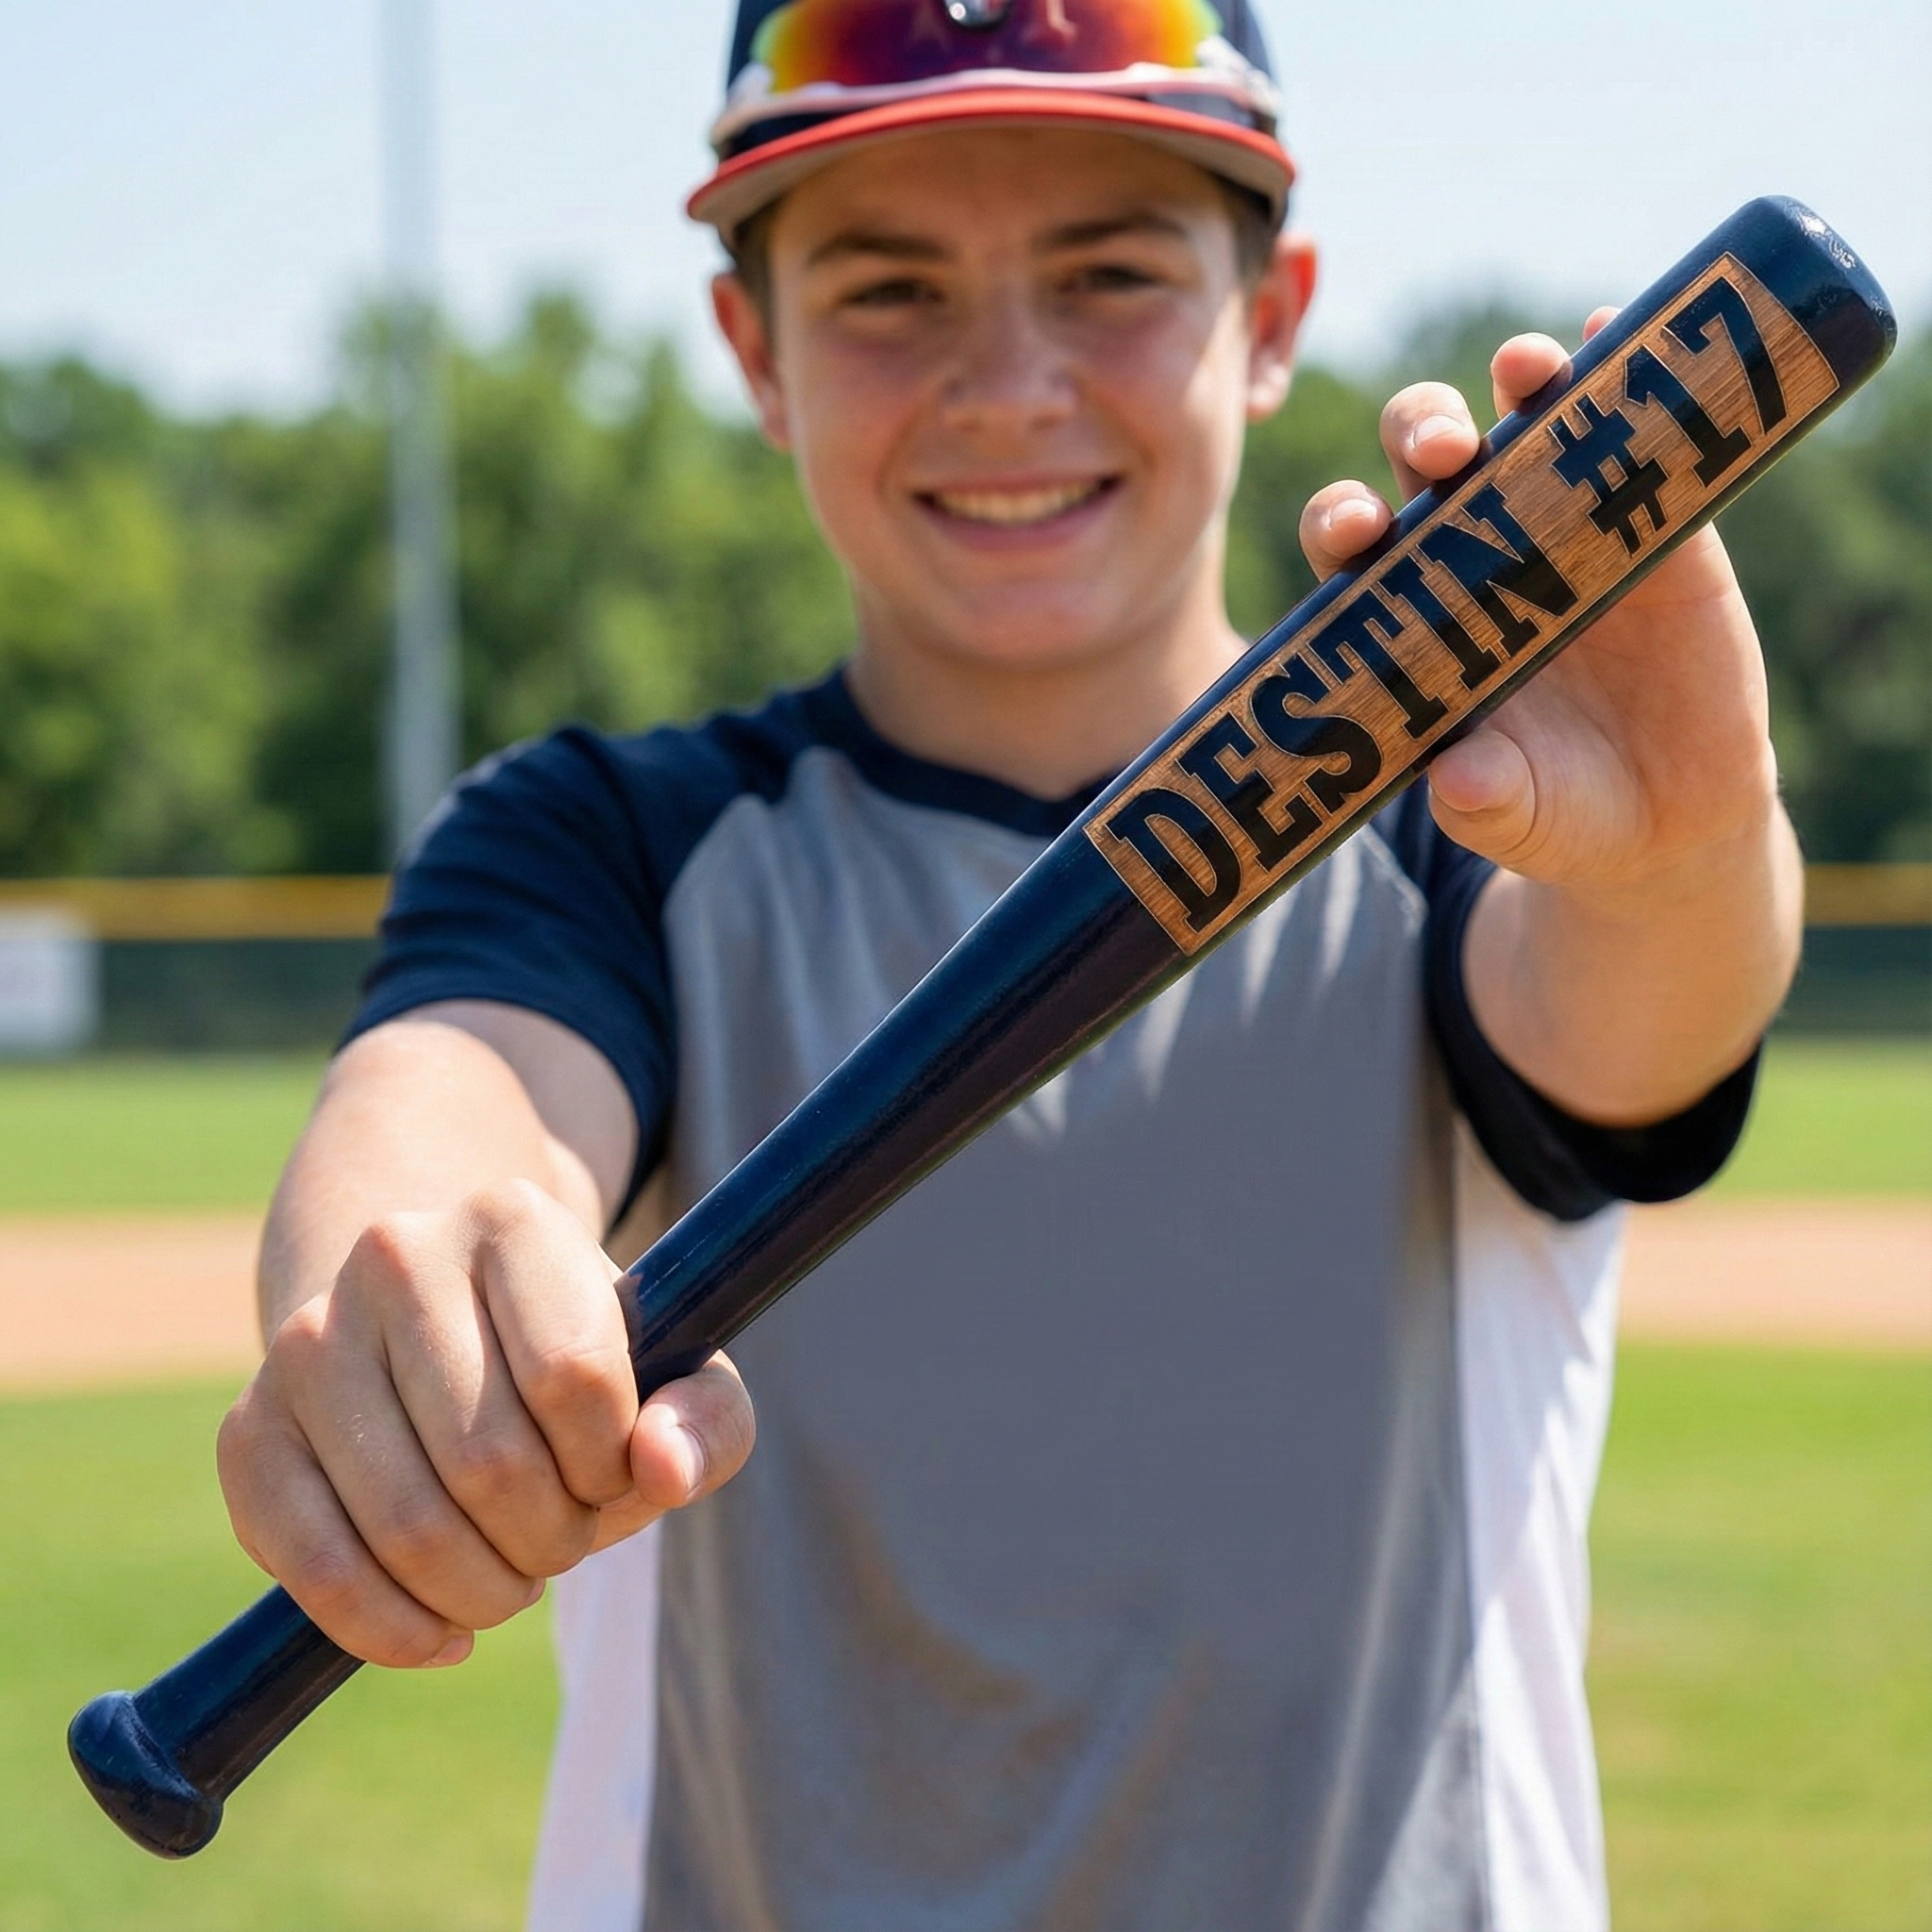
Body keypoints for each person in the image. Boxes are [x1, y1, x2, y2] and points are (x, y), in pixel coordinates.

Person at [217, 4, 1800, 1926]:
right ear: (754, 351)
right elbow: (454, 1113)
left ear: (1273, 307)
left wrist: (1687, 848)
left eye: (1110, 272)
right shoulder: (609, 847)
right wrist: (421, 1291)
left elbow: (1640, 1006)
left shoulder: (1456, 814)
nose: (1008, 380)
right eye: (888, 289)